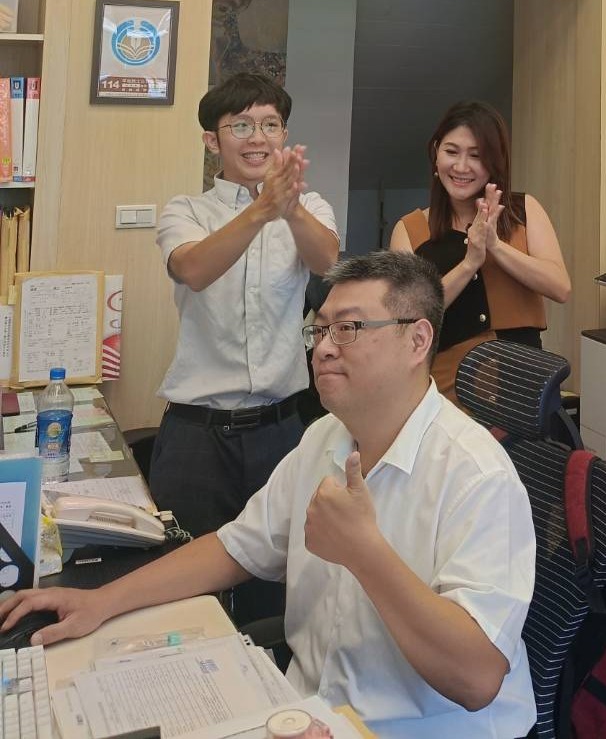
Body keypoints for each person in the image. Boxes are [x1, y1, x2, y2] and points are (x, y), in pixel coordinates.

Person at [1, 252, 538, 739]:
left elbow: (477, 679)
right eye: (319, 329)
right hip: (307, 711)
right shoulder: (325, 437)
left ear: (417, 341)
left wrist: (364, 552)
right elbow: (236, 547)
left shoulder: (476, 476)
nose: (323, 348)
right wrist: (101, 601)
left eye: (348, 328)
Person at [151, 72, 339, 545]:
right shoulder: (185, 211)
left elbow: (328, 263)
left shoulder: (310, 206)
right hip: (197, 435)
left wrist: (289, 208)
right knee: (188, 570)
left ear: (284, 136)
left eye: (270, 125)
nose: (257, 138)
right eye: (240, 125)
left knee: (281, 570)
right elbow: (193, 269)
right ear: (212, 140)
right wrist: (261, 210)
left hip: (282, 430)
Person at [390, 101, 570, 401]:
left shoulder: (524, 210)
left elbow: (560, 287)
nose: (461, 167)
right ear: (435, 153)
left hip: (524, 384)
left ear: (495, 161)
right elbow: (406, 315)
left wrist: (495, 246)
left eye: (476, 155)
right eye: (451, 152)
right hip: (446, 390)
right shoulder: (410, 229)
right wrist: (468, 264)